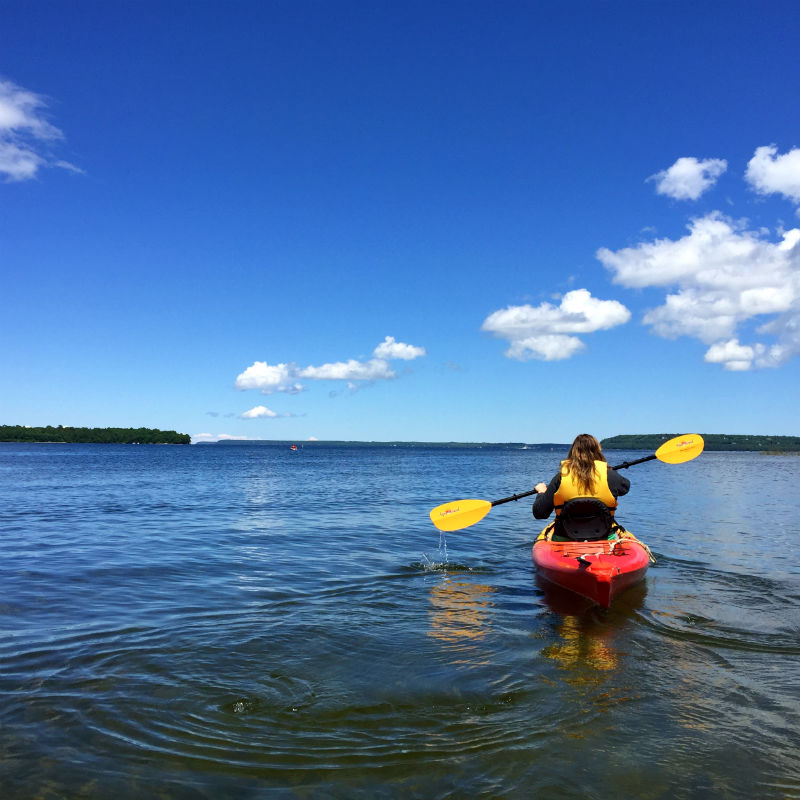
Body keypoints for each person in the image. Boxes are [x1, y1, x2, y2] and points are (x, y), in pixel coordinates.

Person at [532, 433, 630, 541]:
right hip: (604, 538)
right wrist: (609, 472)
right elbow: (625, 487)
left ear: (573, 452)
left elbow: (540, 513)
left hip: (564, 538)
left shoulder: (560, 478)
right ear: (598, 451)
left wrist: (541, 492)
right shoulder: (610, 476)